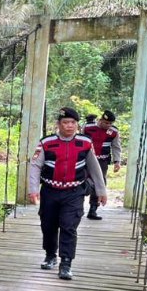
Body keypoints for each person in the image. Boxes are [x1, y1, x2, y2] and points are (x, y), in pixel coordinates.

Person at [28, 107, 107, 280]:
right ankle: (50, 256)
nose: (69, 126)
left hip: (74, 191)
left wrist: (101, 191)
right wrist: (33, 189)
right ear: (59, 124)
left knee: (69, 226)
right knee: (48, 225)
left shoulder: (85, 143)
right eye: (65, 122)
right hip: (50, 190)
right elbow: (35, 166)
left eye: (72, 123)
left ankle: (66, 263)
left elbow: (94, 168)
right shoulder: (46, 142)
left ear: (77, 125)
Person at [81, 110, 121, 220]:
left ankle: (93, 209)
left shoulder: (113, 132)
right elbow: (79, 140)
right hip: (85, 159)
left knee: (99, 182)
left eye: (110, 124)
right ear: (100, 120)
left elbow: (116, 147)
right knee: (80, 180)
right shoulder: (88, 127)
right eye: (106, 123)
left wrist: (117, 161)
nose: (108, 126)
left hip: (102, 161)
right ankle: (77, 206)